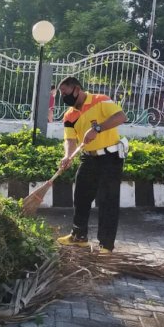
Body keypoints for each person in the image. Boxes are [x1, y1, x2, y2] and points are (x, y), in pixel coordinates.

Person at [55, 77, 127, 253]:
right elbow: (70, 139)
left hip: (110, 157)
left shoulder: (100, 100)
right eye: (61, 94)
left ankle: (106, 246)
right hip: (88, 158)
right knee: (81, 196)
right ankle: (79, 236)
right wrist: (68, 156)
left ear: (77, 89)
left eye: (65, 92)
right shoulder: (69, 115)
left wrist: (97, 129)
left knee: (107, 200)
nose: (63, 97)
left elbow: (121, 117)